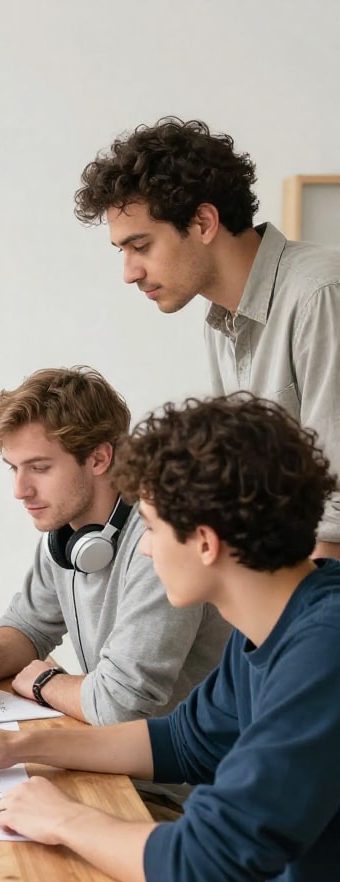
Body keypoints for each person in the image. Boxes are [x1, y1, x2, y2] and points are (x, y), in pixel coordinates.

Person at [0, 394, 340, 882]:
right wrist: (19, 747)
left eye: (154, 528)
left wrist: (63, 819)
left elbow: (201, 866)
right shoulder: (279, 626)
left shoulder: (321, 657)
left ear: (205, 542)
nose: (142, 550)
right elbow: (179, 744)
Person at [0, 368, 229, 816]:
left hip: (180, 799)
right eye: (14, 468)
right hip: (113, 768)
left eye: (40, 467)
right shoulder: (66, 536)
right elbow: (28, 624)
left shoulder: (161, 544)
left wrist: (46, 681)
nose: (19, 490)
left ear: (99, 458)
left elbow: (118, 706)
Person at [74, 115, 340, 560]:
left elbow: (336, 514)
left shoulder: (320, 295)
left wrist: (293, 624)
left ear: (202, 222)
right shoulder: (220, 321)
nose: (129, 273)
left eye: (140, 247)